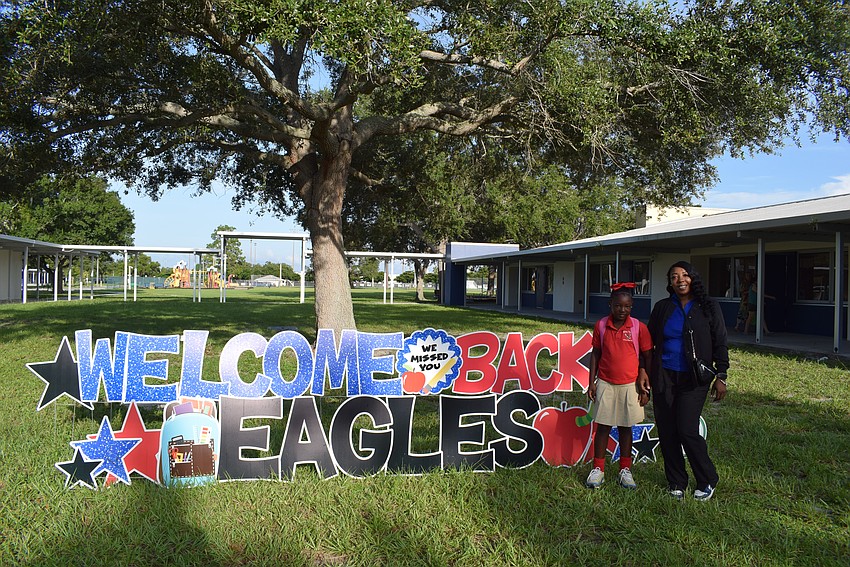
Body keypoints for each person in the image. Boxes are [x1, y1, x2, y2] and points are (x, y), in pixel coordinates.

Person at [643, 261, 728, 501]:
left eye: (684, 275)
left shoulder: (708, 306)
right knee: (667, 431)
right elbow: (648, 346)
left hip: (694, 378)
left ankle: (707, 479)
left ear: (693, 277)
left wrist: (721, 375)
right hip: (664, 376)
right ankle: (676, 482)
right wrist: (643, 371)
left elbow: (720, 341)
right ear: (669, 282)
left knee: (687, 429)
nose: (680, 280)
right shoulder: (662, 307)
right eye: (674, 276)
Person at [586, 282, 652, 490]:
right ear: (610, 305)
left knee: (625, 427)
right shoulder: (602, 326)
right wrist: (592, 382)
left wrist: (645, 383)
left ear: (631, 307)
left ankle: (625, 469)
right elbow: (595, 354)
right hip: (605, 382)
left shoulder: (638, 327)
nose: (622, 310)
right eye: (618, 306)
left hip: (630, 385)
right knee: (603, 426)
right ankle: (598, 469)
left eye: (627, 307)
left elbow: (647, 355)